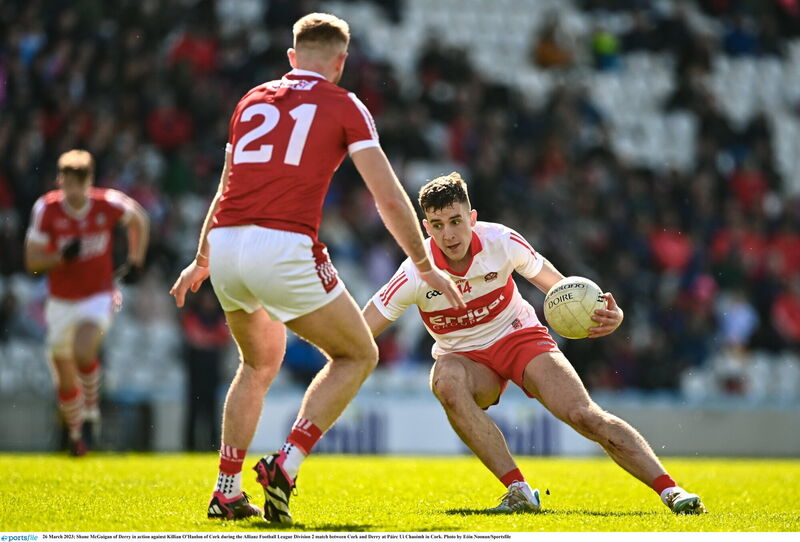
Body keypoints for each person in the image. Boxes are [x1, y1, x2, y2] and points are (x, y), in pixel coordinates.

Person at [168, 13, 463, 524]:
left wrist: (201, 258)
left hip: (226, 245)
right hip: (282, 246)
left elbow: (224, 187)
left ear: (292, 58)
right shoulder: (346, 104)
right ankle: (288, 461)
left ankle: (226, 489)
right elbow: (388, 197)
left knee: (257, 364)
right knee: (357, 353)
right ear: (341, 62)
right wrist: (423, 262)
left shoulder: (250, 100)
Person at [362, 172, 707, 515]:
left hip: (519, 338)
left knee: (584, 416)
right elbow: (362, 331)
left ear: (472, 218)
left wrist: (606, 315)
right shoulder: (413, 273)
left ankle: (673, 492)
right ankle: (519, 489)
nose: (448, 234)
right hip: (464, 357)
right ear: (426, 228)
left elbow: (562, 292)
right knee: (446, 383)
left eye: (455, 221)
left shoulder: (502, 241)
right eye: (437, 225)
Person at [24, 149, 150, 456]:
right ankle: (78, 435)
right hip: (60, 301)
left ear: (89, 181)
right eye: (68, 181)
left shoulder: (106, 203)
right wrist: (59, 258)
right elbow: (31, 262)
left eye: (80, 181)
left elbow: (140, 219)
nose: (74, 189)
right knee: (64, 376)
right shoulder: (46, 209)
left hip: (98, 295)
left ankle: (92, 412)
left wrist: (135, 261)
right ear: (60, 181)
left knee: (83, 350)